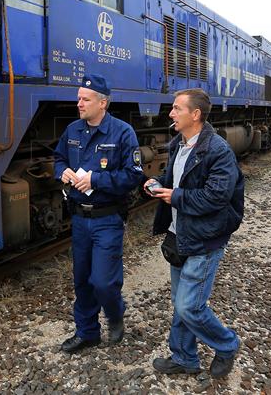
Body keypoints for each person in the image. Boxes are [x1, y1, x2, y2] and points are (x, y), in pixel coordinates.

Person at [146, 88, 243, 379]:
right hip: (181, 234)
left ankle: (227, 345)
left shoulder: (218, 151)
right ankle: (185, 358)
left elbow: (216, 197)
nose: (171, 114)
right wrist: (157, 184)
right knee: (180, 303)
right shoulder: (180, 144)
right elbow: (174, 179)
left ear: (195, 115)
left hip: (205, 238)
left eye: (177, 108)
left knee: (190, 306)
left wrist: (174, 196)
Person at [53, 74, 145, 353]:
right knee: (82, 280)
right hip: (80, 219)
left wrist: (96, 181)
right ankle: (87, 332)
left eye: (85, 99)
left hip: (107, 219)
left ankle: (115, 315)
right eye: (78, 98)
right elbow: (58, 159)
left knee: (103, 282)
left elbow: (134, 175)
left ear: (102, 103)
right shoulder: (72, 131)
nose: (79, 103)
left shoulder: (123, 132)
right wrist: (63, 172)